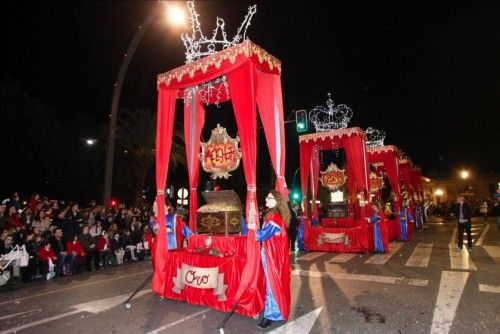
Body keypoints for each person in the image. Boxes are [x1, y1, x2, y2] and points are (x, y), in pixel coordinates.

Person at [247, 190, 291, 329]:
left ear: (276, 201)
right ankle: (275, 312)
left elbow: (262, 235)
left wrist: (251, 228)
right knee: (270, 285)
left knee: (272, 286)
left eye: (269, 197)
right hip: (270, 256)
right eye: (267, 196)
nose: (266, 198)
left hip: (273, 258)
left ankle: (270, 315)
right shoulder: (272, 216)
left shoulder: (274, 218)